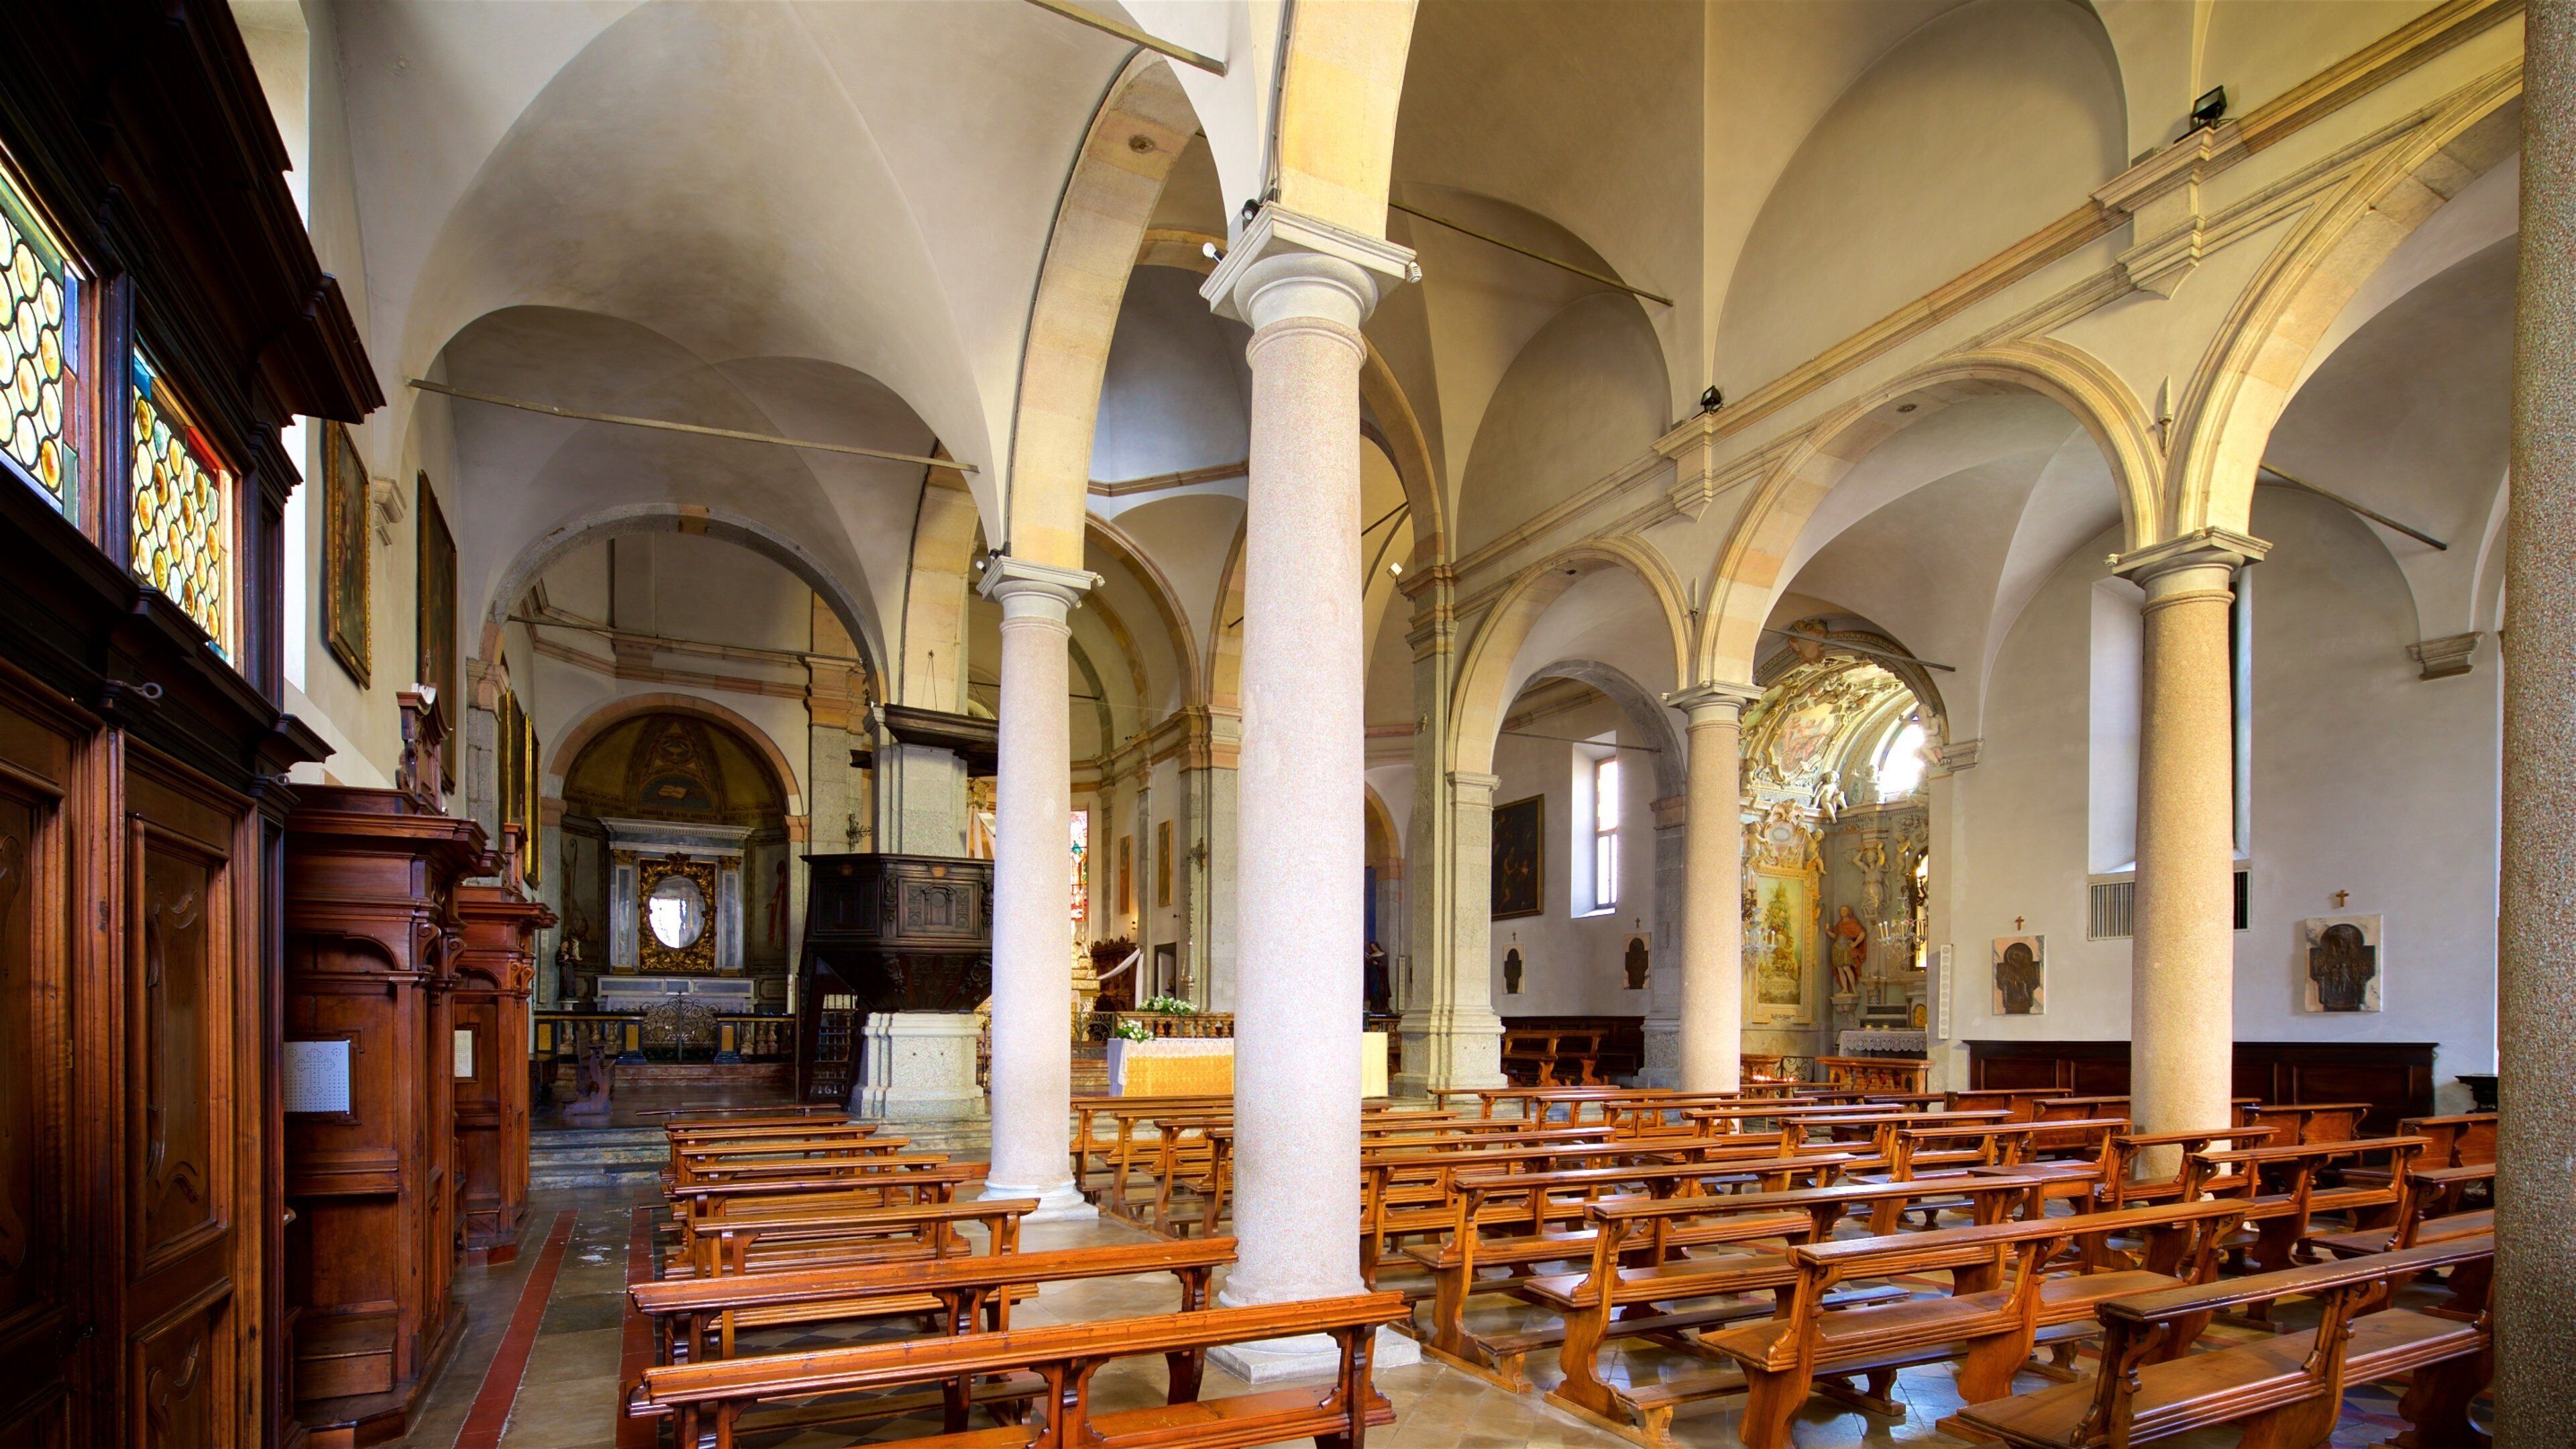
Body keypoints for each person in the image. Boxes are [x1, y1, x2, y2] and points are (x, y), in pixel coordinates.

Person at [1364, 941, 1391, 1015]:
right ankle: (1375, 1005)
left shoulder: (1383, 955)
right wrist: (1368, 960)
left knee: (1380, 990)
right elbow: (1368, 966)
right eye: (1372, 947)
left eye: (1374, 947)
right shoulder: (1371, 955)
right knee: (1373, 990)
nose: (1374, 948)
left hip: (1380, 978)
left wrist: (1378, 964)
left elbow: (1384, 966)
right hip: (1372, 976)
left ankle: (1382, 1006)